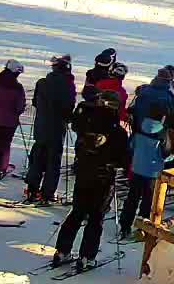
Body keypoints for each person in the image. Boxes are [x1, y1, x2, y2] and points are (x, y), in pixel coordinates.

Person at [54, 88, 127, 271]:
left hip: (84, 173)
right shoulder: (116, 132)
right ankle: (86, 256)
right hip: (102, 178)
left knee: (77, 212)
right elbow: (124, 159)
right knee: (96, 217)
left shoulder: (87, 123)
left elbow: (79, 143)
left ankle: (62, 250)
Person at [24, 54, 76, 204]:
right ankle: (47, 193)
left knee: (38, 157)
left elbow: (35, 102)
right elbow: (68, 106)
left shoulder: (42, 82)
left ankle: (32, 189)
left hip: (41, 125)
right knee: (53, 161)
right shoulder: (68, 85)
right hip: (56, 127)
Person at [117, 106, 170, 243]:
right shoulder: (162, 133)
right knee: (148, 200)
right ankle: (142, 226)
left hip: (136, 168)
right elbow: (165, 153)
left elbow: (131, 146)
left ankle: (125, 225)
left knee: (132, 198)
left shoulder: (140, 127)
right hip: (153, 172)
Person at [0, 60, 26, 179]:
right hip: (9, 121)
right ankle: (0, 167)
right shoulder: (18, 87)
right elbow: (19, 106)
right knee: (5, 144)